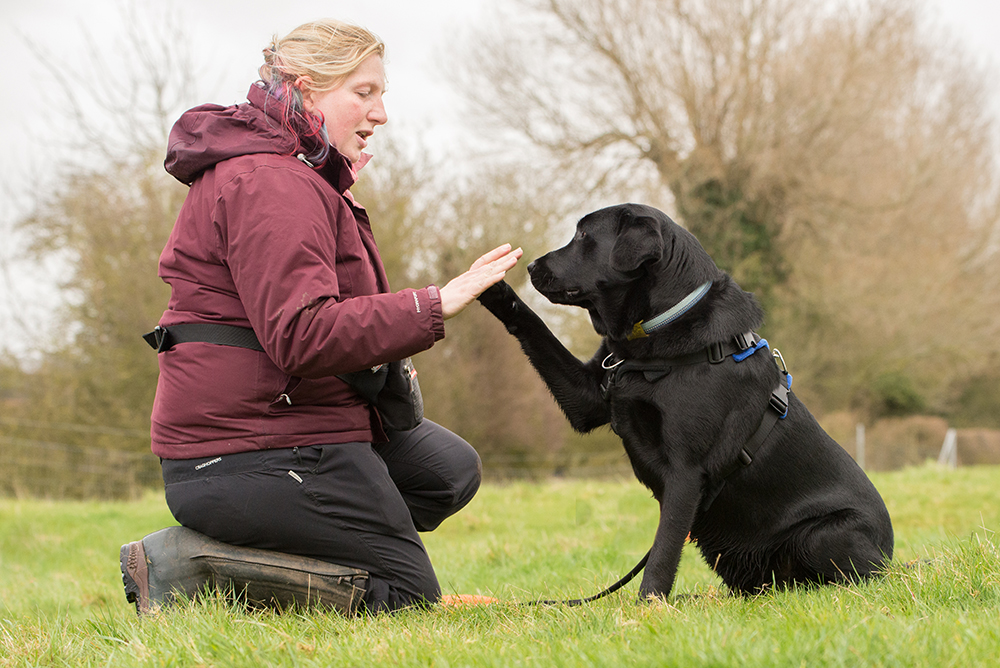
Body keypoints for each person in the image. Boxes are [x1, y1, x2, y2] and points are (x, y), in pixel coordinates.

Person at [119, 19, 520, 615]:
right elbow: (303, 335)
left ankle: (300, 557)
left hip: (294, 421)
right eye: (363, 93)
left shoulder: (297, 175)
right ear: (305, 90)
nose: (380, 112)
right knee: (406, 594)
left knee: (444, 471)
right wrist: (434, 303)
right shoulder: (270, 181)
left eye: (381, 94)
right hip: (248, 446)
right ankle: (187, 564)